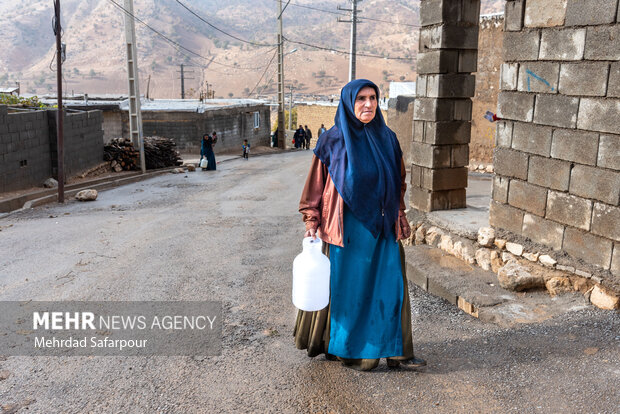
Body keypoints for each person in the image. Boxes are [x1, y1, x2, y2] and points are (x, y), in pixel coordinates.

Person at [294, 79, 426, 371]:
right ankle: (352, 349)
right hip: (348, 230)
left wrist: (399, 214)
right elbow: (314, 189)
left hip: (383, 227)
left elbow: (399, 182)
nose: (368, 104)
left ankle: (396, 351)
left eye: (373, 98)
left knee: (390, 288)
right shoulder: (332, 140)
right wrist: (312, 219)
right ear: (348, 102)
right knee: (351, 291)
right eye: (361, 99)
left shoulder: (388, 138)